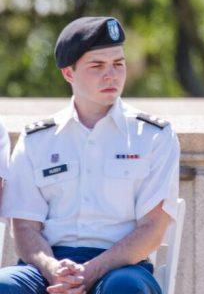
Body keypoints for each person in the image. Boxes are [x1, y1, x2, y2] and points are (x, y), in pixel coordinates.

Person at [0, 16, 180, 294]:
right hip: (46, 266)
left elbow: (152, 228)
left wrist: (91, 271)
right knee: (5, 284)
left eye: (118, 64)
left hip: (122, 266)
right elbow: (24, 228)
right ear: (68, 73)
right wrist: (53, 269)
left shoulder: (153, 136)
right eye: (97, 65)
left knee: (124, 287)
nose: (112, 75)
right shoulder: (37, 139)